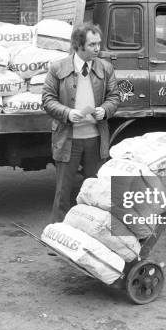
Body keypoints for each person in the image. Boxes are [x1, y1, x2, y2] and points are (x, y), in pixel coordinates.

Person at [42, 22, 120, 224]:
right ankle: (58, 235)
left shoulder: (106, 67)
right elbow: (47, 100)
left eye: (98, 44)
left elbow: (115, 97)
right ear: (78, 45)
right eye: (92, 44)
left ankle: (90, 235)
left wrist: (106, 110)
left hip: (95, 139)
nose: (97, 49)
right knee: (63, 192)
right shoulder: (58, 68)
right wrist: (67, 113)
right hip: (68, 140)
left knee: (94, 191)